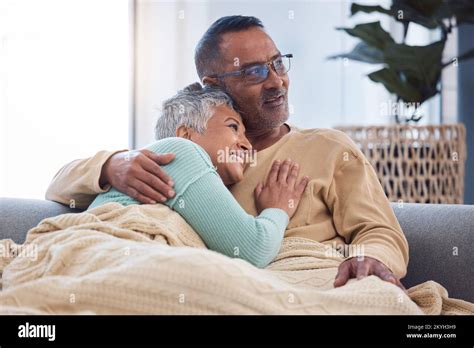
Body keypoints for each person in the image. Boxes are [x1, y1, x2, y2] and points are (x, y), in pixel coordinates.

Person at [46, 15, 408, 290]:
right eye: (254, 71)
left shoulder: (329, 149)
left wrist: (369, 258)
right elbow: (59, 186)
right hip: (209, 284)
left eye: (278, 63)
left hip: (301, 281)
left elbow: (380, 231)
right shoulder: (186, 152)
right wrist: (112, 165)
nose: (276, 80)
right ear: (212, 84)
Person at [88, 83, 308, 268]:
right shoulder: (181, 150)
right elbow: (253, 250)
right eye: (233, 127)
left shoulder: (191, 186)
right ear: (186, 134)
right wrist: (277, 210)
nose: (247, 144)